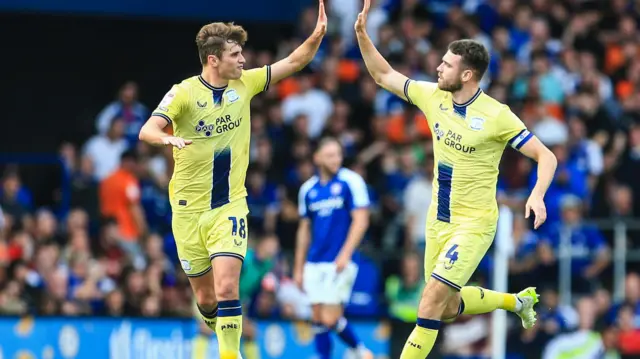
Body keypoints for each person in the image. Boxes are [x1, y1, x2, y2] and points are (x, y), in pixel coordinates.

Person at [354, 1, 559, 358]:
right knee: (446, 308)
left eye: (446, 64)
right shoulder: (434, 97)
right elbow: (383, 75)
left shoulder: (497, 115)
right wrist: (362, 35)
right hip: (439, 221)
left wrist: (537, 194)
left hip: (474, 224)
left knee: (429, 303)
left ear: (467, 75)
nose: (438, 67)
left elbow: (547, 155)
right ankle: (517, 302)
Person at [138, 2, 327, 357]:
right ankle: (228, 335)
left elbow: (293, 62)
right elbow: (147, 130)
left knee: (227, 287)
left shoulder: (246, 83)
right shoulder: (183, 93)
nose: (243, 60)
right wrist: (167, 138)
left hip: (228, 206)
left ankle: (229, 355)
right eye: (236, 54)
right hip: (187, 211)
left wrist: (316, 36)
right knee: (207, 298)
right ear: (213, 59)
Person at [294, 137, 373, 359]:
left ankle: (359, 350)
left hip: (340, 260)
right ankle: (349, 353)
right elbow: (304, 229)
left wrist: (345, 254)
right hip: (314, 260)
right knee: (317, 316)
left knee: (328, 317)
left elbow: (361, 220)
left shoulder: (351, 181)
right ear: (316, 158)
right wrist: (299, 267)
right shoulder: (307, 189)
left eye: (338, 154)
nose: (336, 159)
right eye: (330, 155)